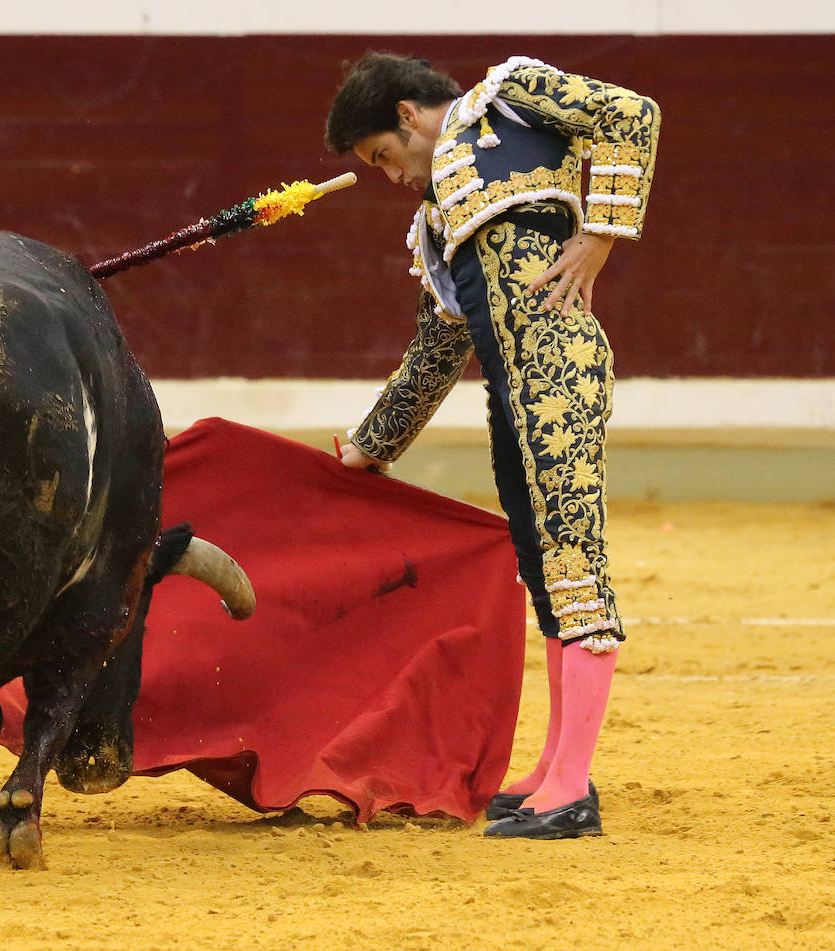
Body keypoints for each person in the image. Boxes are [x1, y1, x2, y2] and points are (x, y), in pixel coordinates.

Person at [324, 53, 661, 839]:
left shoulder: (508, 98)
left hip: (560, 374)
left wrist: (603, 235)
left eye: (381, 156)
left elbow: (631, 113)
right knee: (544, 566)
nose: (388, 175)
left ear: (407, 116)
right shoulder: (439, 219)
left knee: (573, 558)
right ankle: (554, 768)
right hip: (511, 394)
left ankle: (572, 788)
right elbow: (436, 351)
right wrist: (372, 449)